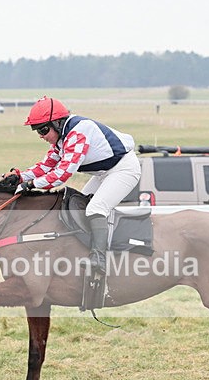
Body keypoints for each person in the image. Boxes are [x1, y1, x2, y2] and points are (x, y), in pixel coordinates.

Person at [12, 96, 141, 273]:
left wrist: (31, 184)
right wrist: (20, 177)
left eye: (43, 130)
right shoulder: (62, 138)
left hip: (123, 169)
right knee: (77, 209)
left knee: (95, 209)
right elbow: (47, 165)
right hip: (104, 172)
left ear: (57, 123)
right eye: (37, 132)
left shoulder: (77, 133)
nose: (41, 136)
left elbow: (61, 174)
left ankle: (99, 259)